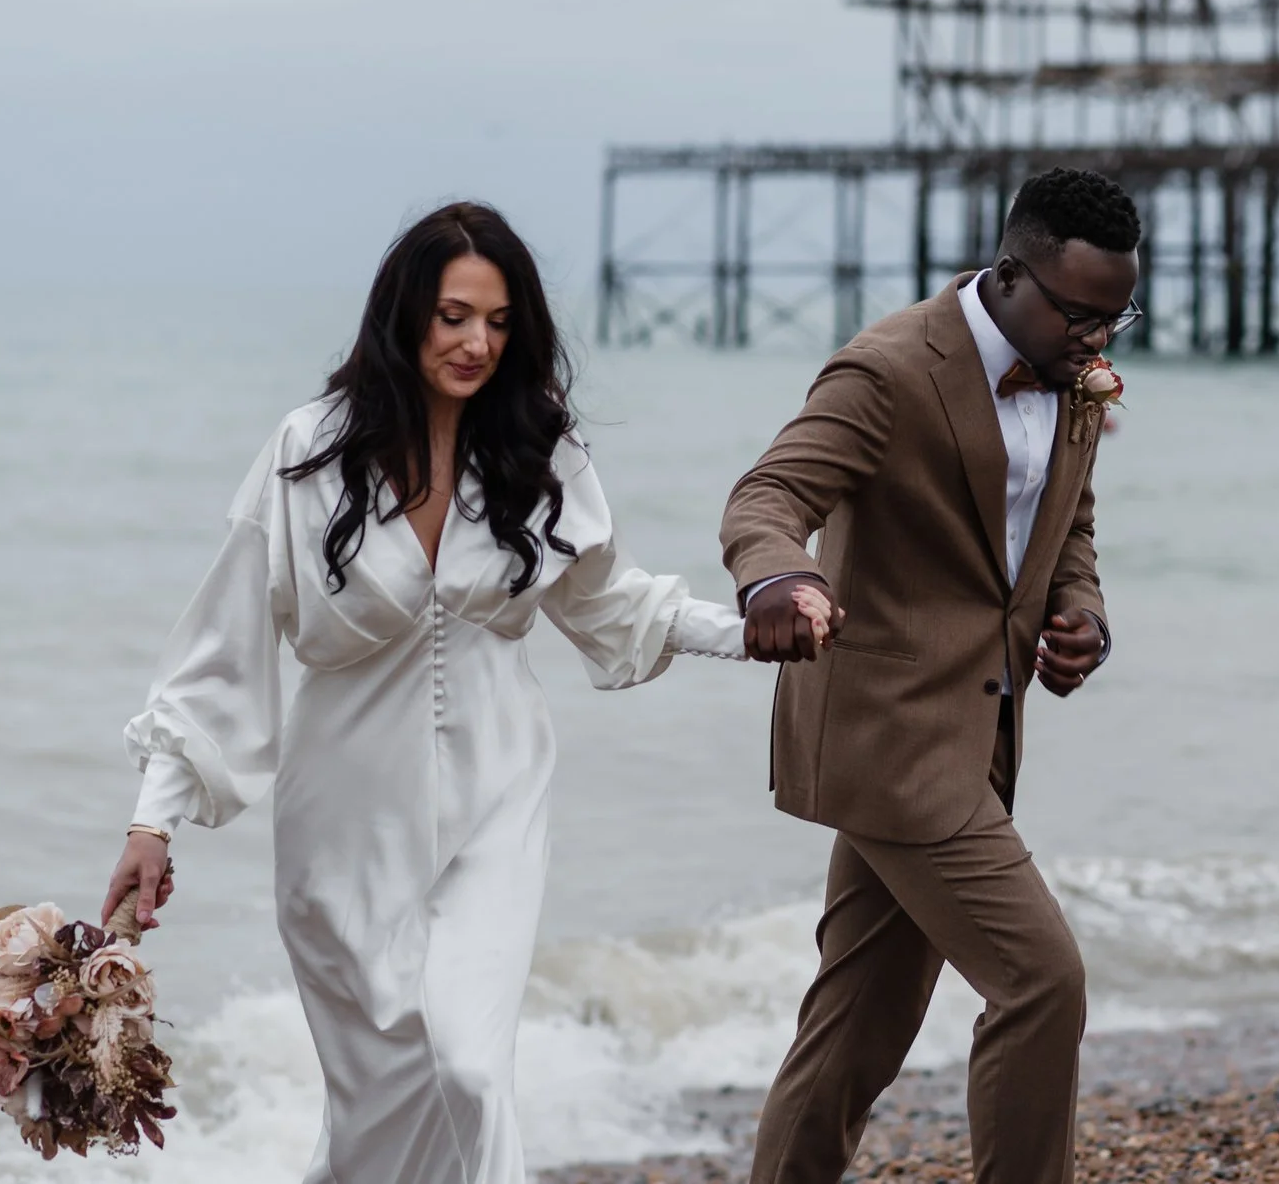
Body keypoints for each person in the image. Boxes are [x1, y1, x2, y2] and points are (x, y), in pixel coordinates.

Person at [99, 201, 748, 1184]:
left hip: (496, 802)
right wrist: (154, 821)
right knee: (379, 1109)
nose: (476, 342)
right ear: (406, 315)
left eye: (496, 321)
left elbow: (608, 606)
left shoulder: (539, 450)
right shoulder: (307, 451)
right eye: (453, 315)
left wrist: (756, 633)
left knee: (471, 1067)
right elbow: (220, 651)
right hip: (340, 827)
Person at [725, 166, 1142, 1184]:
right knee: (1042, 982)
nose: (1094, 341)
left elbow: (1064, 523)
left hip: (975, 735)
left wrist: (1077, 611)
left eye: (1114, 320)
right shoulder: (888, 371)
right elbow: (768, 495)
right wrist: (778, 577)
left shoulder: (1072, 373)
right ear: (1011, 275)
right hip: (890, 733)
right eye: (1077, 314)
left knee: (853, 1036)